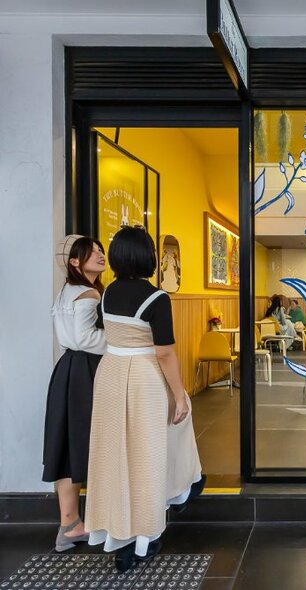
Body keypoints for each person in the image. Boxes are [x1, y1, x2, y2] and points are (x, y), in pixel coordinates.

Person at [85, 226, 204, 573]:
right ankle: (153, 527)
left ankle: (122, 536)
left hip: (109, 374)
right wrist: (179, 393)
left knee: (114, 455)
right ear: (149, 257)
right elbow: (165, 353)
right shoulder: (157, 298)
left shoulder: (106, 294)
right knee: (151, 451)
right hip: (143, 377)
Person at [43, 236, 107, 553]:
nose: (100, 254)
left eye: (100, 250)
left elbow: (70, 339)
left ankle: (69, 524)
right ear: (74, 262)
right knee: (91, 443)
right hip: (86, 371)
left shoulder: (66, 291)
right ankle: (103, 521)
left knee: (67, 445)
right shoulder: (89, 293)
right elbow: (86, 339)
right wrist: (122, 343)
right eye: (91, 251)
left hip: (66, 369)